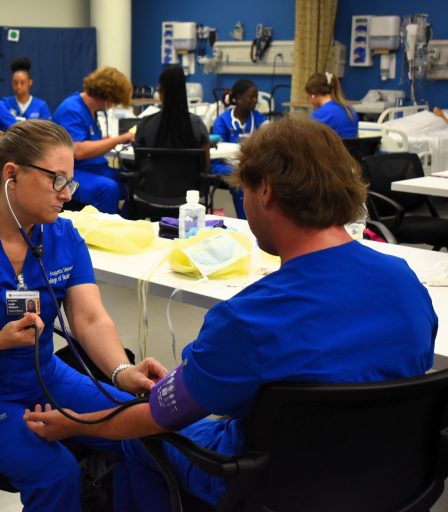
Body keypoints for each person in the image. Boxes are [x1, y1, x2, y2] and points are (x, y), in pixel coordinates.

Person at [24, 116, 437, 510]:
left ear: (267, 191)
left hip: (273, 486)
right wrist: (200, 379)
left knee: (141, 443)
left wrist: (77, 424)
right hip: (382, 481)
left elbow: (156, 418)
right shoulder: (407, 286)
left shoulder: (247, 320)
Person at [0, 119, 166, 512]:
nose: (66, 195)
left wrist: (122, 372)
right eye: (57, 180)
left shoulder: (63, 236)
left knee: (139, 429)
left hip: (44, 378)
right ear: (12, 175)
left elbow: (90, 319)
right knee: (56, 473)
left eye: (70, 182)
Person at [53, 66, 134, 214]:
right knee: (109, 188)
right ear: (107, 96)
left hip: (92, 168)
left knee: (130, 182)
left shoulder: (90, 109)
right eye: (115, 102)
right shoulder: (71, 110)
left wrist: (105, 140)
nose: (114, 106)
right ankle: (102, 234)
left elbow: (86, 137)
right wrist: (119, 139)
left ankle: (123, 224)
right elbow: (78, 151)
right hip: (71, 172)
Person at [210, 79, 267, 219]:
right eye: (251, 96)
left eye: (256, 97)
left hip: (252, 167)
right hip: (224, 167)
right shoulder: (222, 121)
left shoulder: (259, 119)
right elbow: (216, 155)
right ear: (239, 98)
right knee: (243, 180)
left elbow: (270, 137)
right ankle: (247, 222)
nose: (255, 100)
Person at [135, 64, 209, 151]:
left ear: (160, 91)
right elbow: (205, 163)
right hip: (186, 165)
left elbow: (139, 161)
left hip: (158, 165)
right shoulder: (198, 125)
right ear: (183, 92)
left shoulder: (146, 125)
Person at [306, 71, 359, 138]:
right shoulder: (350, 110)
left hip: (332, 148)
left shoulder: (321, 114)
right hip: (349, 148)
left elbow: (307, 139)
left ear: (313, 95)